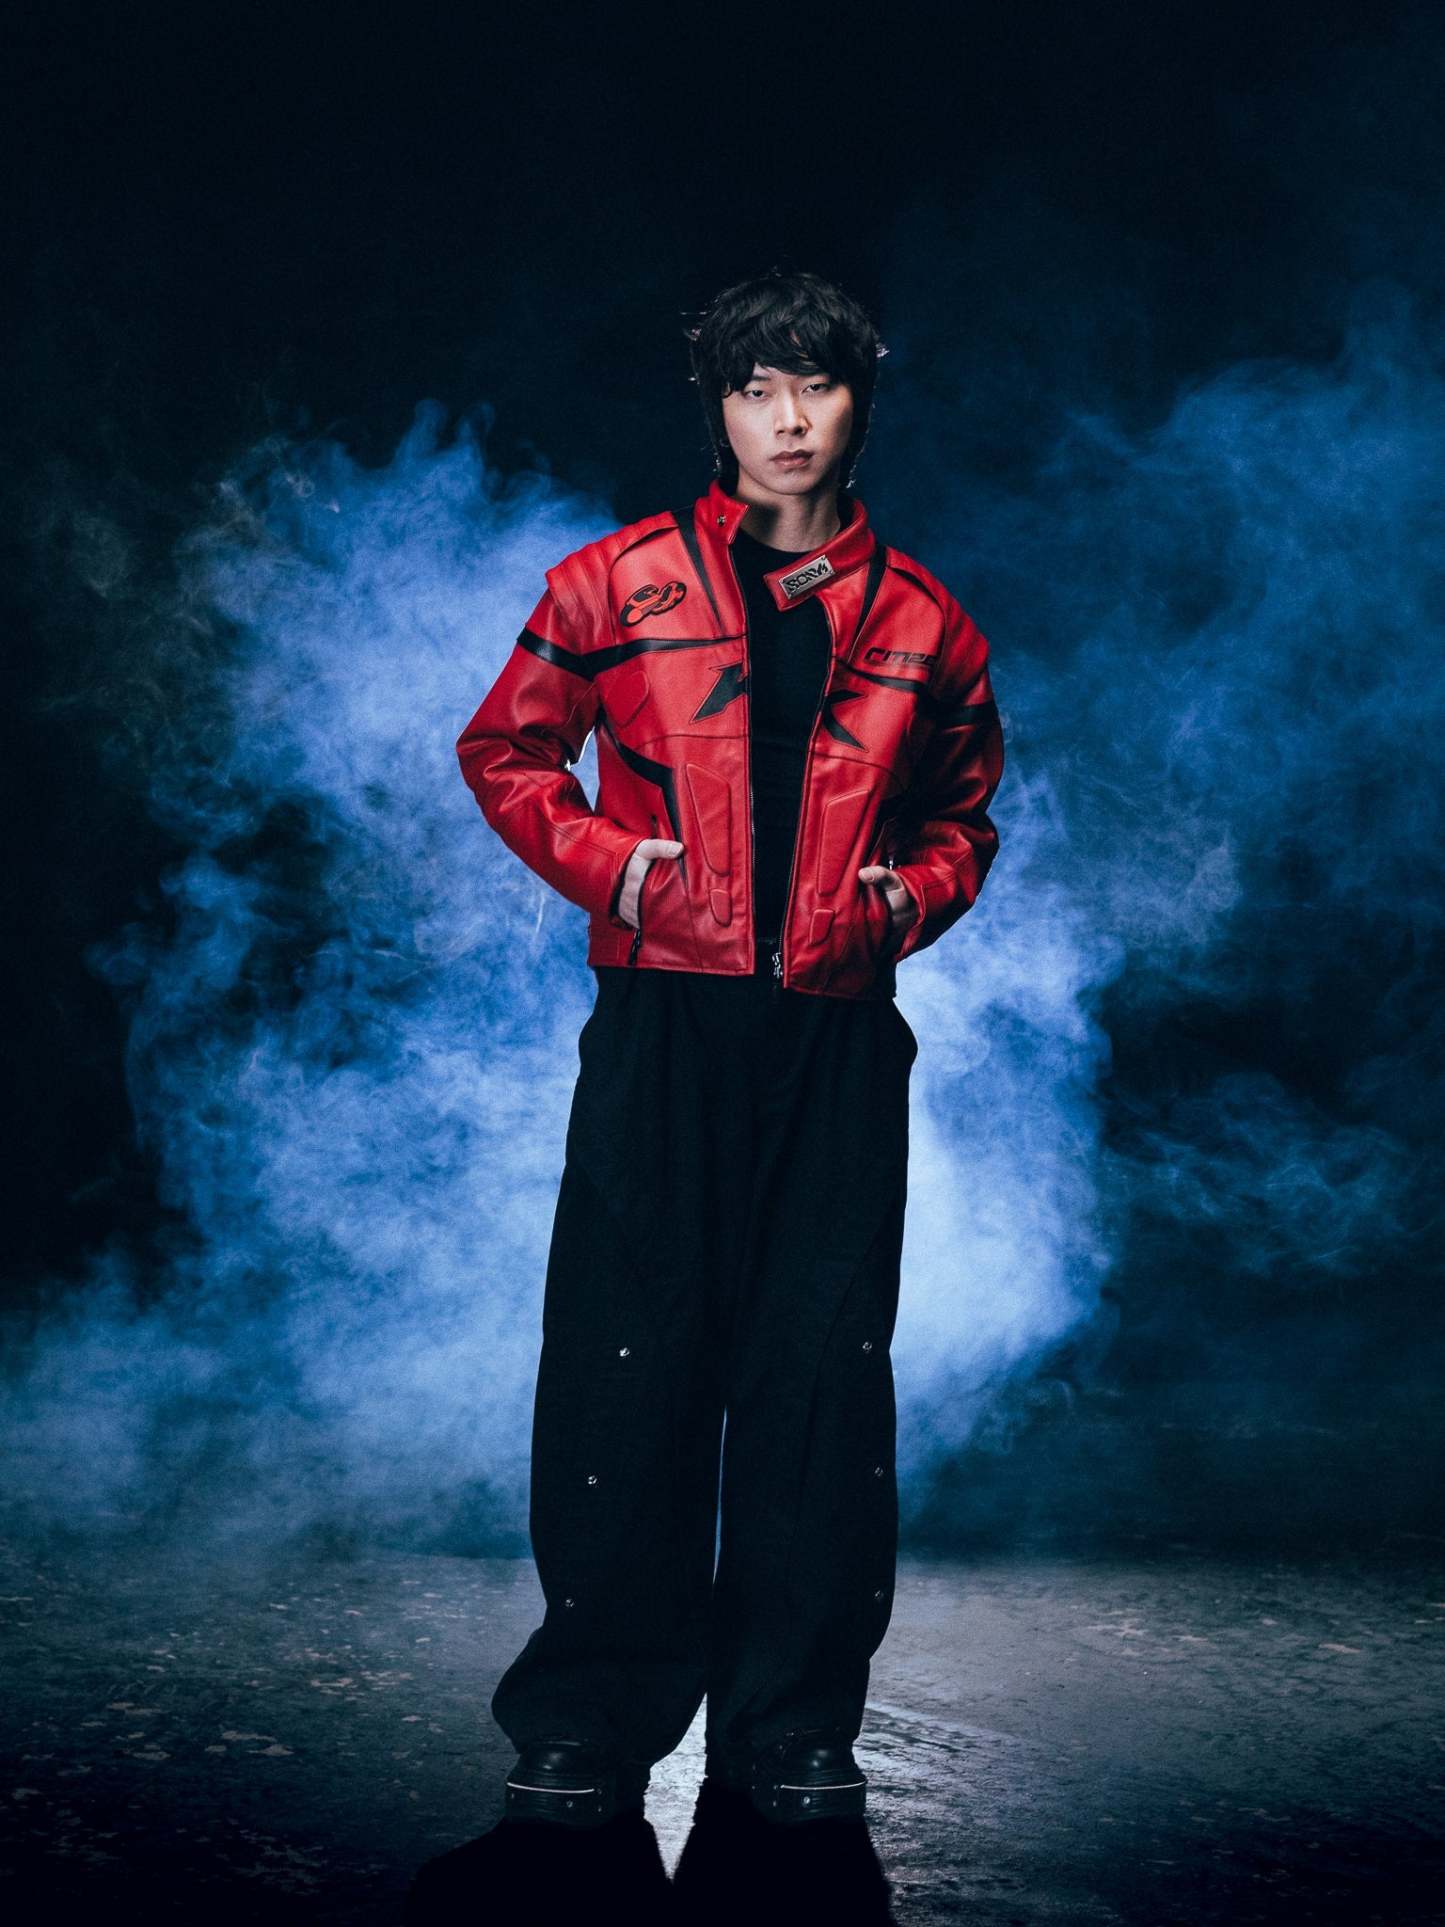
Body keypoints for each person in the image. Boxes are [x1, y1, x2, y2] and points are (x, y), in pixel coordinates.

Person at [453, 268, 1005, 1837]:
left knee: (815, 1380)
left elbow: (964, 816)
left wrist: (898, 902)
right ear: (716, 409)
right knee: (624, 1365)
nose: (787, 420)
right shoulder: (611, 583)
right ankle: (588, 1715)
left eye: (815, 387)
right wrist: (616, 870)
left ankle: (792, 1724)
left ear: (858, 403)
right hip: (662, 1025)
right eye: (755, 389)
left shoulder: (924, 619)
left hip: (833, 1036)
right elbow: (505, 748)